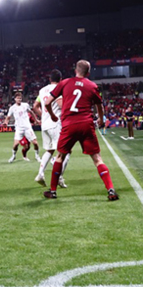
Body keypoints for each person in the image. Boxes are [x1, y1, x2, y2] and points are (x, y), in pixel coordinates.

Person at [43, 60, 119, 201]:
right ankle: (110, 190)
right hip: (86, 124)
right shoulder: (92, 86)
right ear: (88, 73)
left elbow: (47, 102)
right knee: (97, 158)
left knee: (60, 157)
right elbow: (99, 105)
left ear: (75, 70)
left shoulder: (65, 82)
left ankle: (53, 191)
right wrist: (101, 119)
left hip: (68, 125)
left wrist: (53, 116)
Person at [33, 69, 68, 188]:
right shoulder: (58, 89)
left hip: (45, 125)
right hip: (55, 123)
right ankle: (59, 177)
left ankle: (40, 174)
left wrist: (43, 115)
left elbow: (35, 106)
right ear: (61, 80)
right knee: (65, 151)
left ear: (49, 79)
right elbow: (61, 105)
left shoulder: (42, 90)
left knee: (49, 150)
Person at [5, 93, 41, 163]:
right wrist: (6, 122)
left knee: (35, 143)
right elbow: (8, 117)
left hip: (27, 127)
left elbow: (31, 112)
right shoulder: (12, 108)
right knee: (15, 145)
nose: (19, 99)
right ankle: (13, 156)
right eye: (18, 98)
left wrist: (36, 120)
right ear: (15, 99)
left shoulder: (25, 105)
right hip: (19, 128)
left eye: (20, 98)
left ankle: (37, 156)